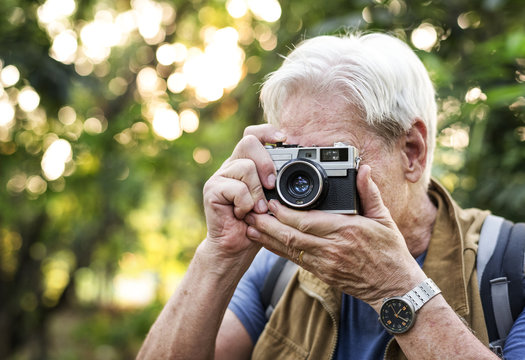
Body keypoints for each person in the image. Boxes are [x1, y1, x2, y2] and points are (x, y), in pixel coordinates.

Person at [137, 32, 525, 359]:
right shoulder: (276, 271)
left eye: (332, 158)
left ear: (412, 151)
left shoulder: (511, 264)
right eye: (294, 161)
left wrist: (396, 288)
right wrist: (218, 256)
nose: (306, 182)